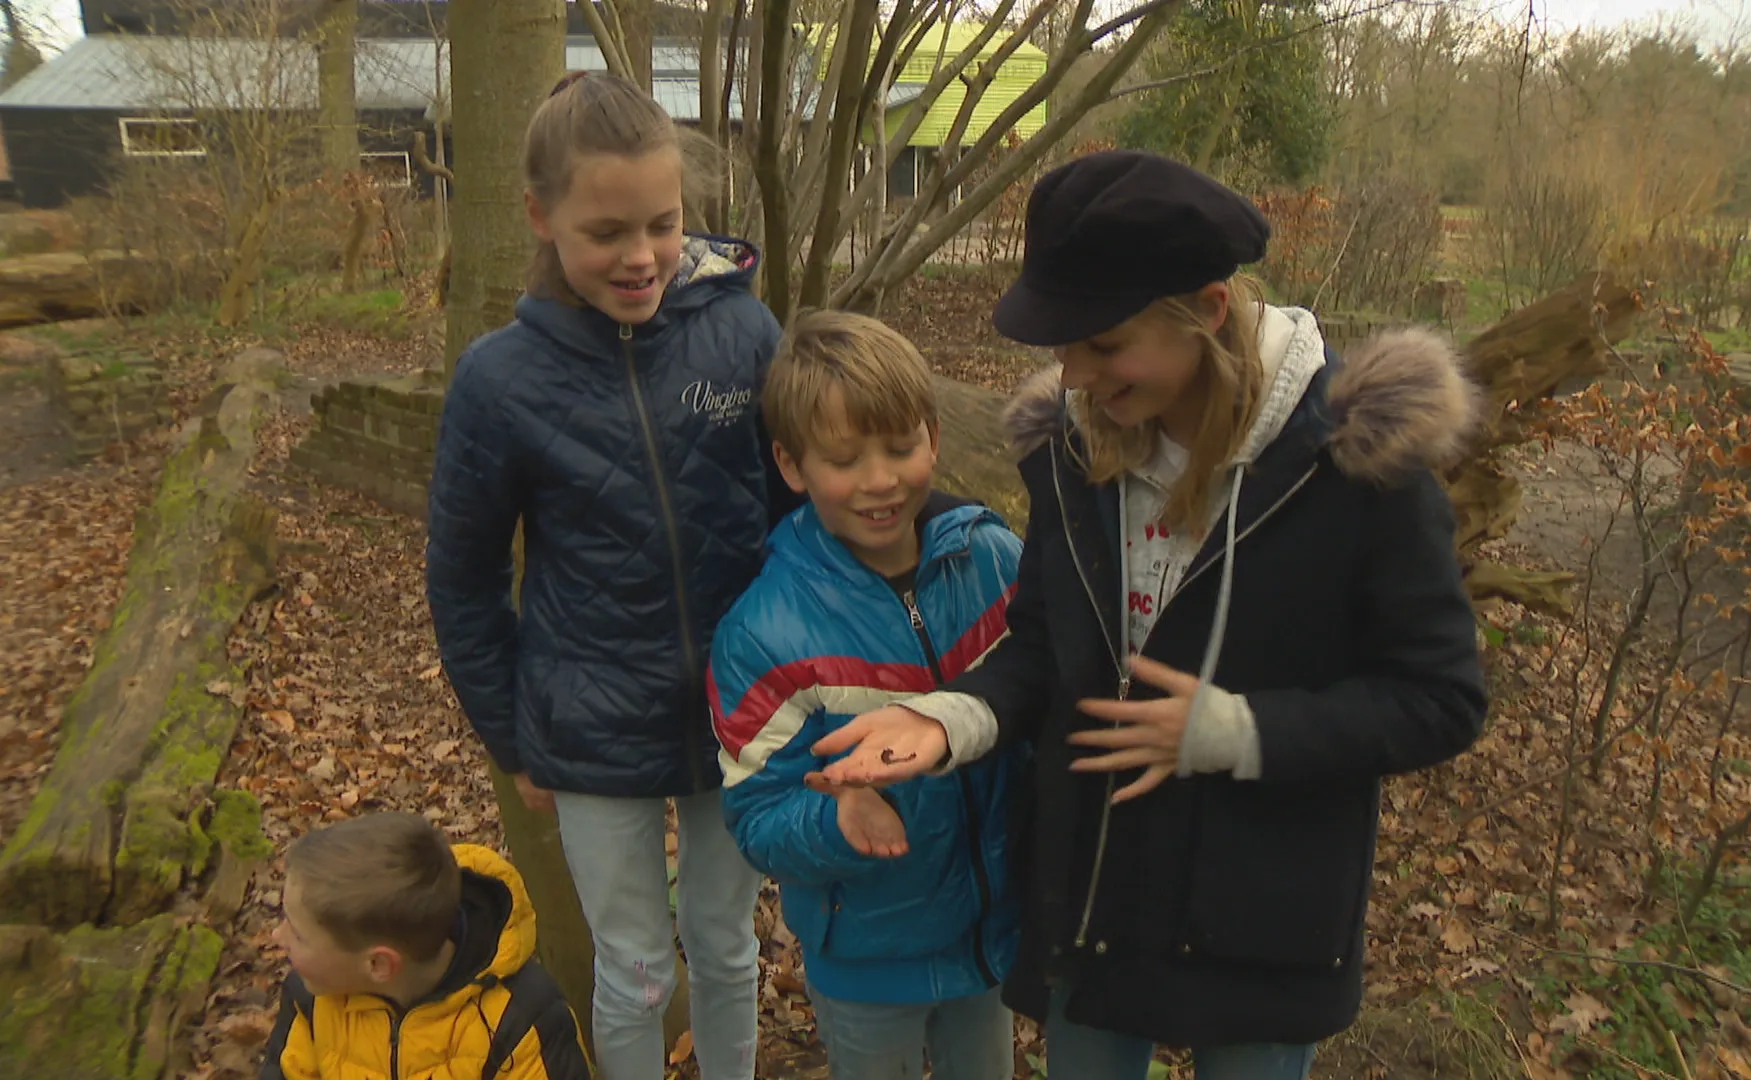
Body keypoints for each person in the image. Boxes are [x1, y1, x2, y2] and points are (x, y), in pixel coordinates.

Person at [812, 150, 1490, 1079]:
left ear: (1207, 310)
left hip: (1263, 922)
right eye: (1063, 346)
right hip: (1097, 902)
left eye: (1103, 345)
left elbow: (1441, 698)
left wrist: (1235, 732)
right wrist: (949, 718)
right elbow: (1043, 646)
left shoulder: (1357, 468)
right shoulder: (1073, 456)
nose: (1074, 375)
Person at [426, 72, 798, 1080]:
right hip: (588, 718)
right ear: (540, 217)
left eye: (662, 225)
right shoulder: (498, 379)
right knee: (633, 968)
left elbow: (797, 518)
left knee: (726, 945)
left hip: (741, 705)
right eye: (605, 232)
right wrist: (512, 735)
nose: (640, 256)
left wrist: (807, 676)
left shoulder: (741, 333)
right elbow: (462, 580)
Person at [708, 310, 1026, 1080]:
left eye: (900, 447)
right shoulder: (764, 633)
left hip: (993, 935)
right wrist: (836, 819)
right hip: (866, 961)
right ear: (792, 466)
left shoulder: (994, 561)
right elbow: (756, 815)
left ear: (934, 439)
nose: (880, 480)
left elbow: (1041, 692)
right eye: (845, 459)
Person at [261, 812, 589, 1080]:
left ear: (378, 965)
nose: (278, 936)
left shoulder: (519, 1019)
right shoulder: (313, 998)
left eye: (298, 934)